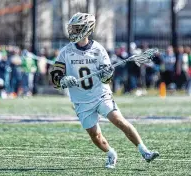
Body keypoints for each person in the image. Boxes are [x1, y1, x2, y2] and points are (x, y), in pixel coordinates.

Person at [50, 12, 159, 169]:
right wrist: (62, 80)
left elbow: (106, 80)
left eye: (77, 28)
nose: (73, 31)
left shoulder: (99, 50)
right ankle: (111, 153)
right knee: (95, 136)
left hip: (100, 95)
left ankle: (145, 151)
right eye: (72, 28)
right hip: (81, 101)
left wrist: (106, 74)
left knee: (119, 120)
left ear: (87, 29)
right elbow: (55, 76)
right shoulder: (65, 52)